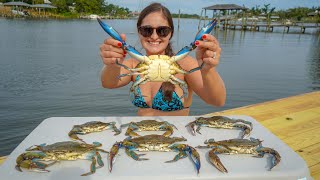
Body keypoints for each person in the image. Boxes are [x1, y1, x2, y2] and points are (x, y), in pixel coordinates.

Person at [99, 3, 226, 116]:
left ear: (170, 33)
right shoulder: (134, 64)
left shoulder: (185, 64)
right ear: (139, 32)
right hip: (142, 135)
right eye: (147, 30)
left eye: (162, 31)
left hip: (174, 137)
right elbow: (108, 83)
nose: (154, 36)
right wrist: (112, 64)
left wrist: (208, 69)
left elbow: (217, 101)